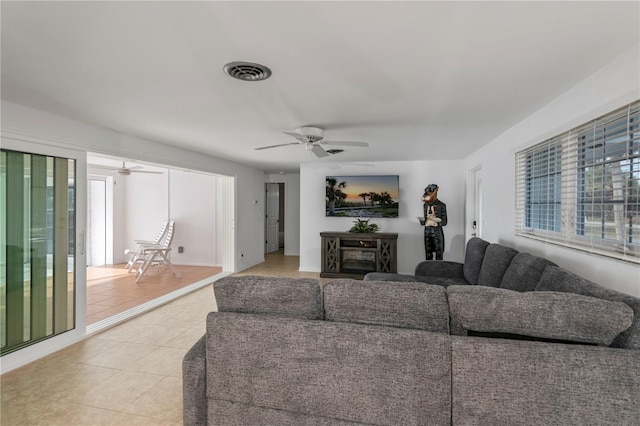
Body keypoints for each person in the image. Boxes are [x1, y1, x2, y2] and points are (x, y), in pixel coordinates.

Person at [421, 184, 447, 260]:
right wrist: (423, 221)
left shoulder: (441, 205)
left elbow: (445, 221)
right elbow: (425, 218)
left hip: (437, 232)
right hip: (427, 231)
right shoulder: (425, 205)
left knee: (439, 253)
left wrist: (437, 223)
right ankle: (428, 270)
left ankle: (438, 271)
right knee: (428, 253)